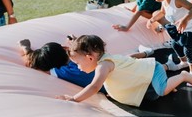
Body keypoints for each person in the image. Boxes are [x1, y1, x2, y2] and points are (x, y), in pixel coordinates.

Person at [57, 34, 192, 107]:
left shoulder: (103, 65)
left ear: (89, 58)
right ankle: (167, 83)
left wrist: (74, 99)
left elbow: (94, 86)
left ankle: (184, 76)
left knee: (162, 90)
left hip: (153, 69)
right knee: (156, 93)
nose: (78, 67)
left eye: (77, 63)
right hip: (145, 74)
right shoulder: (104, 60)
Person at [19, 38, 154, 93]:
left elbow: (33, 62)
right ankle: (145, 53)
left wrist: (26, 49)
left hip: (113, 78)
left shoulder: (62, 71)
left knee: (122, 61)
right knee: (122, 61)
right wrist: (26, 47)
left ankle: (145, 54)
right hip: (114, 76)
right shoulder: (69, 68)